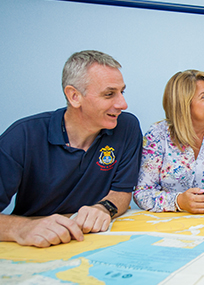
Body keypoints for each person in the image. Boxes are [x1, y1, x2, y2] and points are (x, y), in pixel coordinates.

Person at [0, 50, 143, 247]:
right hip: (35, 246)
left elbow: (121, 191)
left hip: (93, 242)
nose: (123, 104)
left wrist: (104, 208)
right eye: (109, 94)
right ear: (74, 96)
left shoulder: (127, 127)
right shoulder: (23, 135)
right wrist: (21, 229)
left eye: (122, 92)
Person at [134, 70, 204, 214]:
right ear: (183, 105)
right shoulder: (157, 136)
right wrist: (179, 202)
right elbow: (142, 193)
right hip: (168, 225)